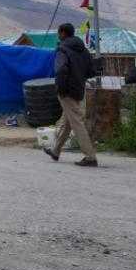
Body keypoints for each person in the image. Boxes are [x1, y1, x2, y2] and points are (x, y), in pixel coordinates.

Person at [43, 22, 98, 167]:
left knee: (77, 123)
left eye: (58, 33)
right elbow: (91, 71)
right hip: (79, 89)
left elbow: (60, 70)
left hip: (66, 90)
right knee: (69, 120)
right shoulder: (84, 50)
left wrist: (60, 89)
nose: (58, 35)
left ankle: (90, 156)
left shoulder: (62, 50)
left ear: (62, 33)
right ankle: (55, 151)